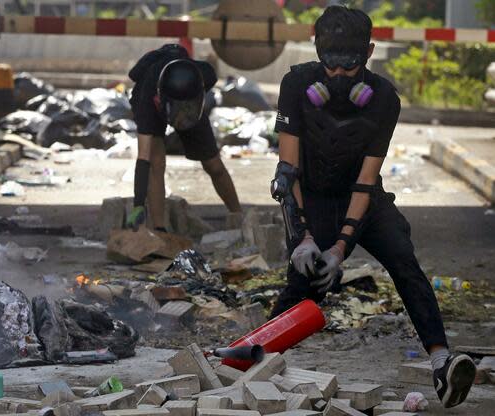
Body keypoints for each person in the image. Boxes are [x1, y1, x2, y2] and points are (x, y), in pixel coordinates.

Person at [270, 5, 475, 408]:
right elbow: (286, 173)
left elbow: (366, 182)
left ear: (368, 53)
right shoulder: (295, 86)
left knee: (402, 257)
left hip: (363, 195)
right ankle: (247, 361)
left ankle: (441, 363)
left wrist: (340, 249)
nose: (340, 76)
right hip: (311, 195)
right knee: (305, 284)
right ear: (317, 52)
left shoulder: (383, 100)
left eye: (350, 65)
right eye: (330, 64)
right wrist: (305, 239)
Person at [125, 44, 242, 231]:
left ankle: (238, 217)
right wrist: (139, 204)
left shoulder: (204, 76)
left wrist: (189, 110)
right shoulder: (147, 103)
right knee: (156, 162)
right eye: (178, 113)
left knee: (214, 164)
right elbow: (143, 158)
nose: (181, 119)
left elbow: (193, 106)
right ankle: (159, 229)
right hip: (155, 97)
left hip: (190, 103)